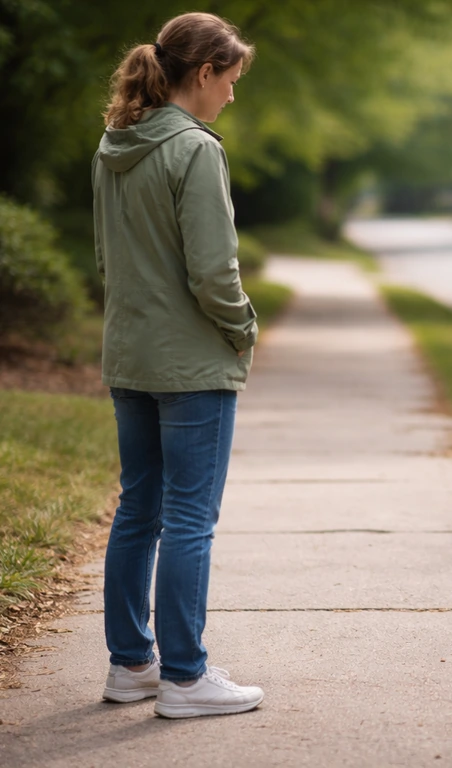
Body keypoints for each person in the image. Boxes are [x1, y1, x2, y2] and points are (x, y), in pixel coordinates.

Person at [92, 12, 263, 718]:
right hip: (190, 365)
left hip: (129, 355)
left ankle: (131, 666)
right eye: (230, 81)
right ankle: (186, 679)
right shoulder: (194, 150)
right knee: (190, 517)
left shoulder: (115, 145)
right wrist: (243, 327)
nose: (231, 95)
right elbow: (214, 271)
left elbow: (107, 259)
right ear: (203, 73)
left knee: (139, 509)